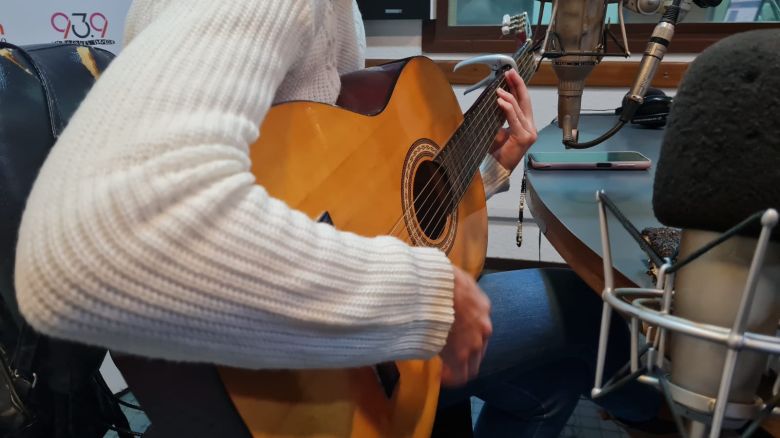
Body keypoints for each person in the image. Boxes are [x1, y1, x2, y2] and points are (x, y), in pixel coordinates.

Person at [13, 0, 660, 436]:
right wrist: (425, 300)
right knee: (594, 313)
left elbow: (361, 188)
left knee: (550, 372)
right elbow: (107, 239)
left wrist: (487, 171)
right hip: (284, 359)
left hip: (298, 349)